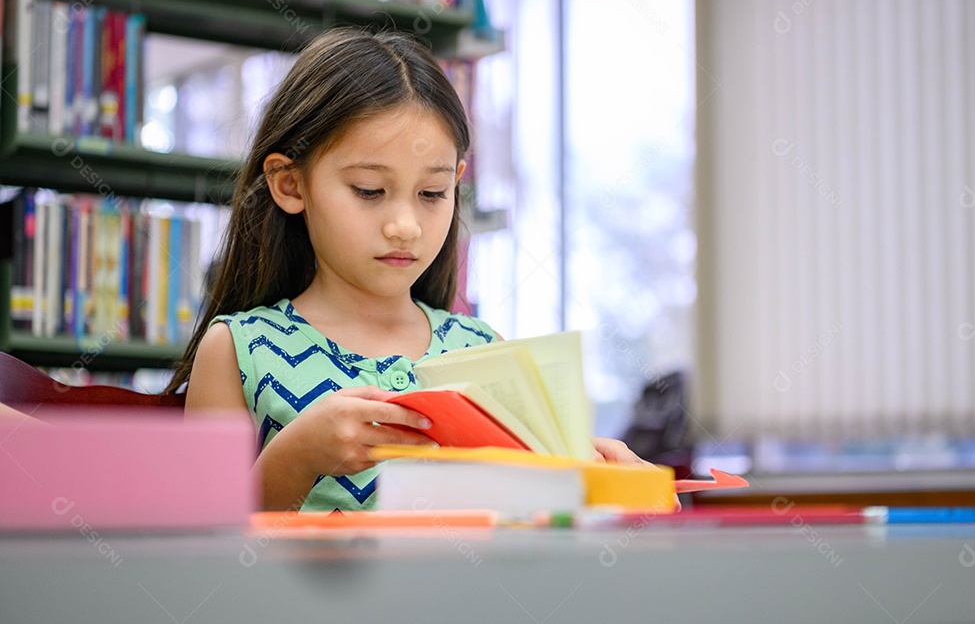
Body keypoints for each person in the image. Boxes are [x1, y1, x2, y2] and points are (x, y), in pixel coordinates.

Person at [170, 27, 647, 512]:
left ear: (457, 183)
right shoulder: (238, 349)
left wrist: (604, 486)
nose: (405, 227)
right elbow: (202, 551)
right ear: (291, 185)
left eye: (432, 194)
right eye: (369, 191)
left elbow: (527, 527)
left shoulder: (481, 349)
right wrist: (296, 456)